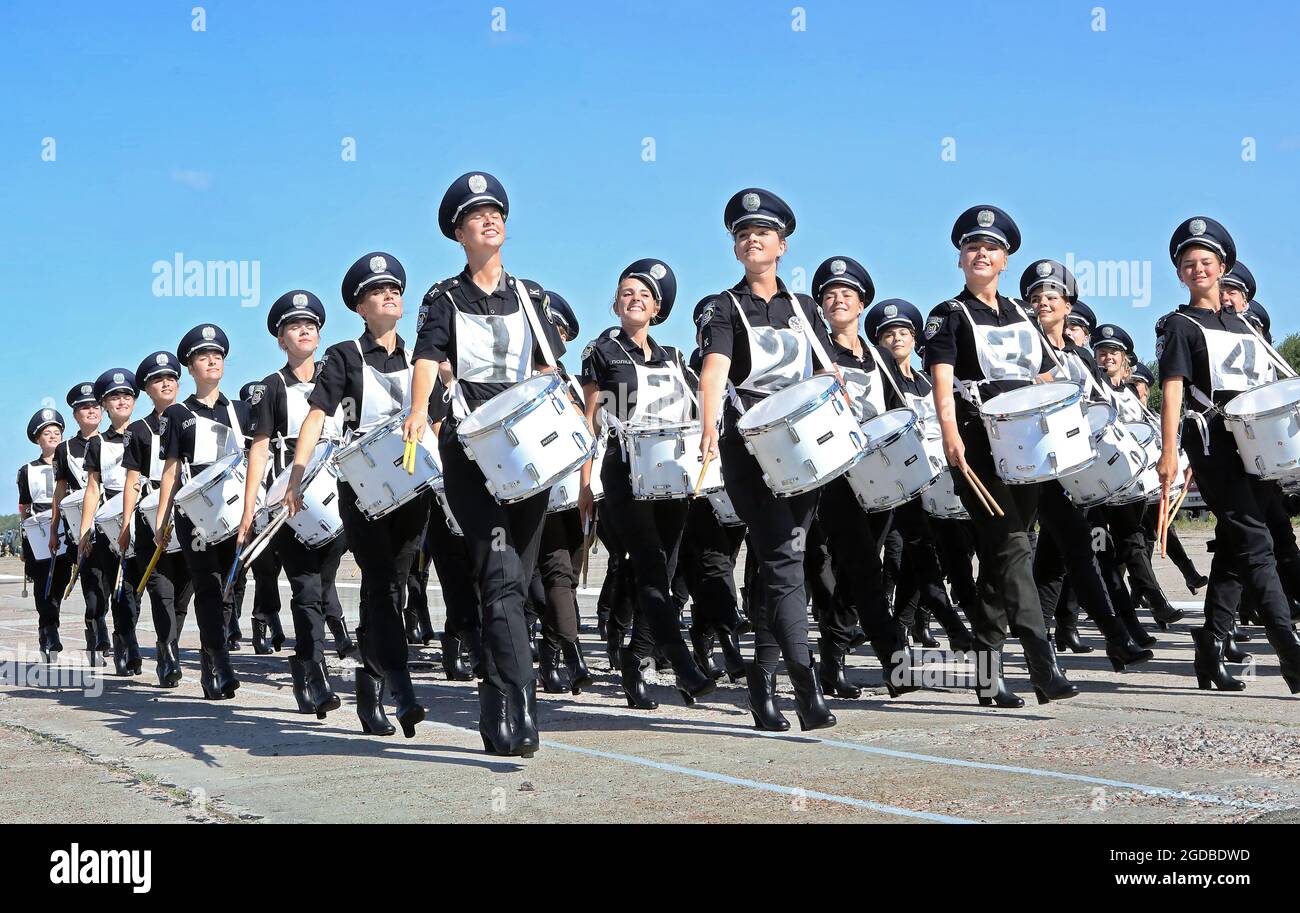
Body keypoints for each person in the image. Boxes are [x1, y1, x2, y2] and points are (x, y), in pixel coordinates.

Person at [406, 171, 568, 756]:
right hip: (471, 453)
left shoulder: (533, 296)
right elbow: (427, 357)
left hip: (526, 451)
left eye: (496, 211)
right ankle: (522, 704)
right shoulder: (443, 298)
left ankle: (494, 696)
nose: (489, 220)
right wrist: (418, 411)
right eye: (476, 215)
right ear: (459, 233)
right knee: (499, 573)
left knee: (517, 581)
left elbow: (551, 364)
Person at [923, 206, 1078, 706]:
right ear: (961, 260)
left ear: (1006, 260)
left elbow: (1052, 372)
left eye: (991, 248)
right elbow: (941, 382)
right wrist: (951, 438)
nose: (981, 254)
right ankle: (1041, 660)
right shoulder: (948, 314)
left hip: (1028, 444)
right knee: (1012, 544)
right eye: (972, 248)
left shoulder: (1022, 315)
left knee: (1002, 555)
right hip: (975, 444)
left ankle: (987, 677)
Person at [697, 188, 837, 732]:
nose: (752, 239)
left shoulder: (804, 308)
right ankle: (806, 688)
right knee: (783, 559)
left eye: (762, 232)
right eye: (741, 234)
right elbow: (714, 369)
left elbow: (823, 369)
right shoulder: (722, 307)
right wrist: (709, 424)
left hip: (801, 448)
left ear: (782, 244)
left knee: (781, 567)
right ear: (736, 250)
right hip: (748, 449)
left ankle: (762, 683)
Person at [1157, 217, 1300, 694]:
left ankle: (1211, 649)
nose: (1197, 268)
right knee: (1256, 542)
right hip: (1213, 440)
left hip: (1255, 442)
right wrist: (1168, 452)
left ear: (1223, 267)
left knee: (1237, 550)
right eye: (1188, 263)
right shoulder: (1178, 324)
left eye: (1206, 261)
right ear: (1180, 273)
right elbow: (1173, 389)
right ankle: (1289, 650)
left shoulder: (1242, 324)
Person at [288, 254, 428, 738]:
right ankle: (401, 686)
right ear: (361, 308)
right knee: (381, 580)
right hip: (363, 484)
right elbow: (316, 415)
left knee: (393, 588)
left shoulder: (421, 358)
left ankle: (370, 688)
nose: (389, 295)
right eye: (376, 292)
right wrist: (296, 476)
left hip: (413, 485)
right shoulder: (345, 355)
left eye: (394, 289)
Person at [579, 258, 715, 708]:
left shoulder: (675, 358)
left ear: (657, 309)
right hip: (623, 471)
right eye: (626, 293)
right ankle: (680, 661)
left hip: (672, 474)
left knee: (667, 572)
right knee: (651, 566)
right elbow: (589, 423)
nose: (634, 300)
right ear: (615, 303)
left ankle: (636, 663)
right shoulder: (601, 351)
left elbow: (701, 409)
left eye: (644, 295)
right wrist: (584, 484)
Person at [1015, 260, 1154, 672]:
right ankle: (1112, 639)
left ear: (1068, 305)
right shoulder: (1026, 351)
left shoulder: (1078, 356)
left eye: (1051, 297)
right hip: (1044, 464)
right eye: (1036, 298)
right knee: (1072, 552)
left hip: (1081, 466)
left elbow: (1101, 404)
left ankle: (1054, 644)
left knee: (1056, 559)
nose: (1043, 303)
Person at [238, 290, 346, 718]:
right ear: (281, 340)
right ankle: (315, 674)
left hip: (338, 495)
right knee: (305, 588)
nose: (305, 330)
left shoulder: (338, 376)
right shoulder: (271, 388)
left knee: (324, 586)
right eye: (294, 326)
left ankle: (304, 663)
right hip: (289, 500)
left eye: (312, 325)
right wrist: (249, 510)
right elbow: (259, 451)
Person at [152, 324, 251, 700]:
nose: (212, 360)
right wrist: (162, 519)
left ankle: (211, 661)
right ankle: (222, 665)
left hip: (235, 509)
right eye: (202, 357)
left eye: (218, 356)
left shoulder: (241, 411)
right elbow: (171, 469)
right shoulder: (178, 414)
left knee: (228, 590)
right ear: (190, 368)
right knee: (208, 587)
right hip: (194, 513)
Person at [120, 351, 193, 687]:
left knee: (183, 593)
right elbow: (132, 481)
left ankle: (169, 646)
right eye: (157, 380)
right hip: (151, 518)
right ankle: (168, 653)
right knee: (160, 589)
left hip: (189, 514)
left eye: (171, 377)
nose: (166, 383)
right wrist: (124, 524)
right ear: (146, 389)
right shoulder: (138, 430)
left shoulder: (193, 419)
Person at [78, 369, 143, 675]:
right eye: (115, 397)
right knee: (119, 587)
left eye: (127, 395)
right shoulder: (97, 444)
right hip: (109, 522)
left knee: (146, 587)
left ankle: (130, 638)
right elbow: (93, 487)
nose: (121, 401)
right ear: (104, 404)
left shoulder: (147, 432)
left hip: (145, 514)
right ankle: (125, 642)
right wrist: (85, 528)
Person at [49, 382, 111, 666]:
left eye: (95, 406)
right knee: (93, 582)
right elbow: (59, 492)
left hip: (115, 520)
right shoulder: (65, 449)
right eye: (85, 407)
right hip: (82, 526)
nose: (92, 410)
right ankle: (97, 632)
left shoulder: (118, 439)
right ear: (75, 414)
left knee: (118, 582)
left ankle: (122, 636)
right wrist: (54, 528)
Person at [18, 409, 73, 661]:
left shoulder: (72, 463)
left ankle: (49, 624)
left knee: (59, 583)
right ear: (38, 439)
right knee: (43, 584)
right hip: (38, 532)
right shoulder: (26, 470)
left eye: (57, 433)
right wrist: (24, 542)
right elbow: (25, 506)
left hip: (65, 527)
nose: (52, 436)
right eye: (47, 433)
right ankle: (49, 630)